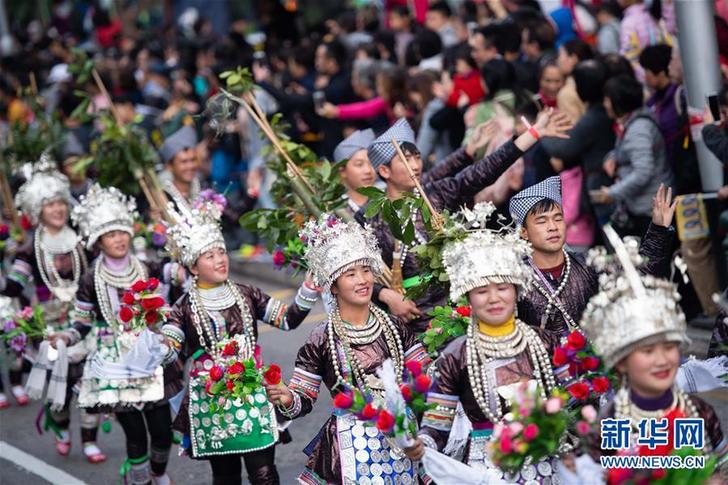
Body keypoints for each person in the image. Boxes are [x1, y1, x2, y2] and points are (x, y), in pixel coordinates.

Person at [364, 111, 572, 333]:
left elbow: (485, 171)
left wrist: (533, 133)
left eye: (417, 157)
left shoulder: (437, 194)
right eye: (406, 160)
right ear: (384, 171)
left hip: (465, 302)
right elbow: (362, 270)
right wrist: (388, 296)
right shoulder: (373, 218)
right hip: (418, 315)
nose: (415, 165)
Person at [162, 201, 320, 485]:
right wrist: (162, 346)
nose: (220, 259)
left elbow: (287, 319)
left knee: (264, 472)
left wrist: (308, 289)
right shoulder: (184, 306)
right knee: (225, 476)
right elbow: (171, 340)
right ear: (194, 266)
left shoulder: (247, 293)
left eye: (221, 251)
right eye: (209, 255)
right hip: (213, 400)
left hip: (252, 392)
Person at [263, 215, 430, 485]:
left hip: (403, 438)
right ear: (333, 285)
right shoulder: (321, 337)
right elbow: (302, 398)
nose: (362, 280)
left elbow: (424, 373)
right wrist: (286, 397)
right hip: (351, 443)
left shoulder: (394, 326)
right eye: (350, 274)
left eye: (366, 270)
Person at [403, 202, 561, 482]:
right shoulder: (456, 355)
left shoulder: (544, 342)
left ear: (516, 290)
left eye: (502, 288)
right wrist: (421, 444)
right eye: (482, 291)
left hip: (546, 464)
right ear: (468, 298)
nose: (494, 298)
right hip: (487, 469)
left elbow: (576, 399)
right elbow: (437, 424)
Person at [48, 185, 184, 485]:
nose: (119, 239)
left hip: (151, 358)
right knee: (135, 434)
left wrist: (184, 242)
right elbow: (81, 322)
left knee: (162, 431)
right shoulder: (89, 279)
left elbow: (179, 274)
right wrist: (64, 339)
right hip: (115, 363)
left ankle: (157, 473)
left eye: (122, 231)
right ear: (99, 241)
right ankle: (137, 479)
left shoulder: (147, 265)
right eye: (111, 234)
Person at [583, 228, 728, 476]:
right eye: (648, 351)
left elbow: (719, 471)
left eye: (669, 347)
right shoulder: (610, 423)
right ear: (621, 362)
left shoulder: (700, 413)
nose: (662, 360)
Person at [3, 156, 106, 462]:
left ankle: (89, 440)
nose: (58, 209)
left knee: (90, 382)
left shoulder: (84, 240)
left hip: (86, 322)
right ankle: (61, 428)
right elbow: (12, 287)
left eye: (61, 203)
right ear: (37, 210)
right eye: (49, 205)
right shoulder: (30, 248)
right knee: (59, 387)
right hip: (48, 330)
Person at [509, 177, 676, 337]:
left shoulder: (588, 263)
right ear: (524, 232)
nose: (552, 227)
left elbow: (636, 279)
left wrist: (658, 230)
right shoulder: (517, 278)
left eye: (558, 218)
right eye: (541, 221)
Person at [594, 74, 673, 238]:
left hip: (649, 210)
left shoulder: (638, 129)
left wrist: (612, 193)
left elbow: (643, 171)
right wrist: (613, 157)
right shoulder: (632, 122)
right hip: (645, 206)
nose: (605, 104)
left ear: (618, 102)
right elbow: (627, 151)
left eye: (607, 99)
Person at [541, 60, 615, 227]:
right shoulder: (601, 112)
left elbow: (564, 148)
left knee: (613, 236)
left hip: (603, 186)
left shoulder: (594, 118)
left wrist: (542, 131)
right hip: (607, 182)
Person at [158, 124, 201, 214]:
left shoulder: (205, 191)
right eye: (184, 162)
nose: (190, 166)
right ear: (169, 166)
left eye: (193, 160)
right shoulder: (163, 198)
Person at [556, 39, 595, 123]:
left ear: (573, 59)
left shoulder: (567, 94)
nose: (557, 60)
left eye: (560, 55)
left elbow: (572, 130)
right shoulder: (596, 81)